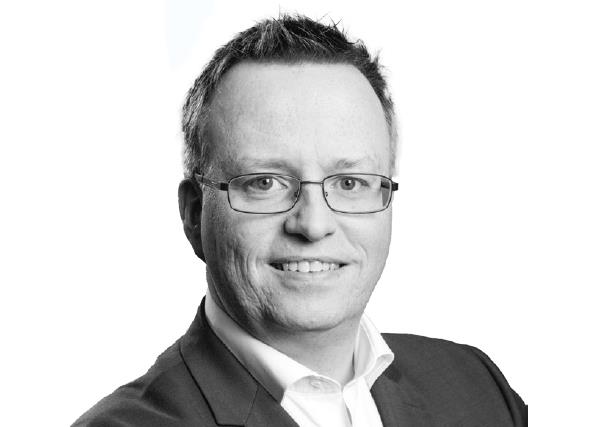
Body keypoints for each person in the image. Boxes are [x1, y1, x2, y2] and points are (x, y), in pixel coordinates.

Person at [73, 14, 527, 427]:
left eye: (349, 182)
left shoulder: (478, 387)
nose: (312, 225)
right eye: (265, 182)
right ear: (194, 215)